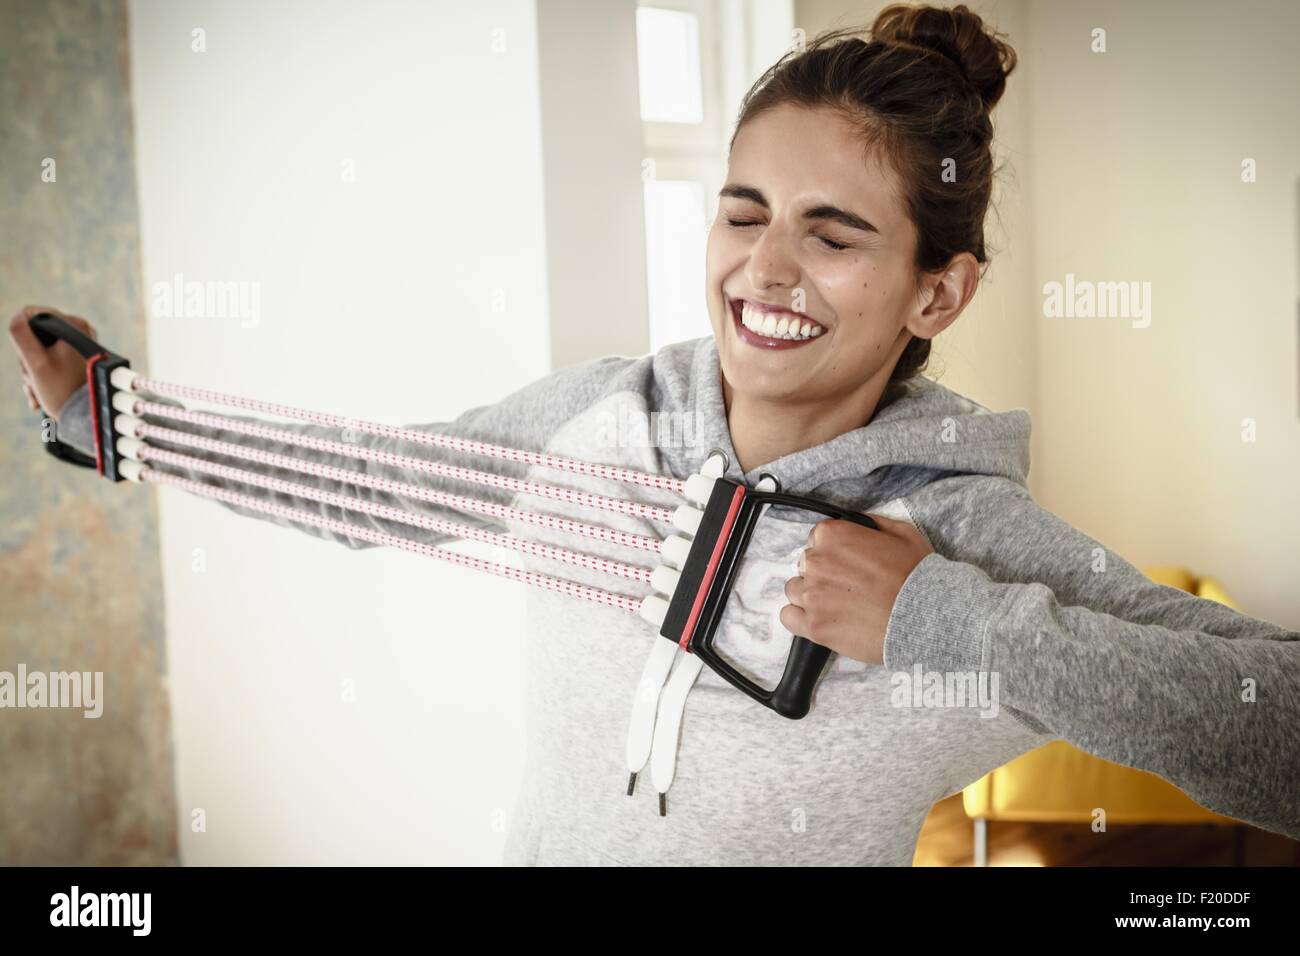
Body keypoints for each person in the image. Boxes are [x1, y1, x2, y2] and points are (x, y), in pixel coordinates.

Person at [11, 4, 1298, 865]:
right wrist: (116, 418)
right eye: (743, 213)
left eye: (833, 232)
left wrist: (944, 620)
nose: (767, 269)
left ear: (938, 292)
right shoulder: (599, 415)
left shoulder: (960, 541)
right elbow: (370, 482)